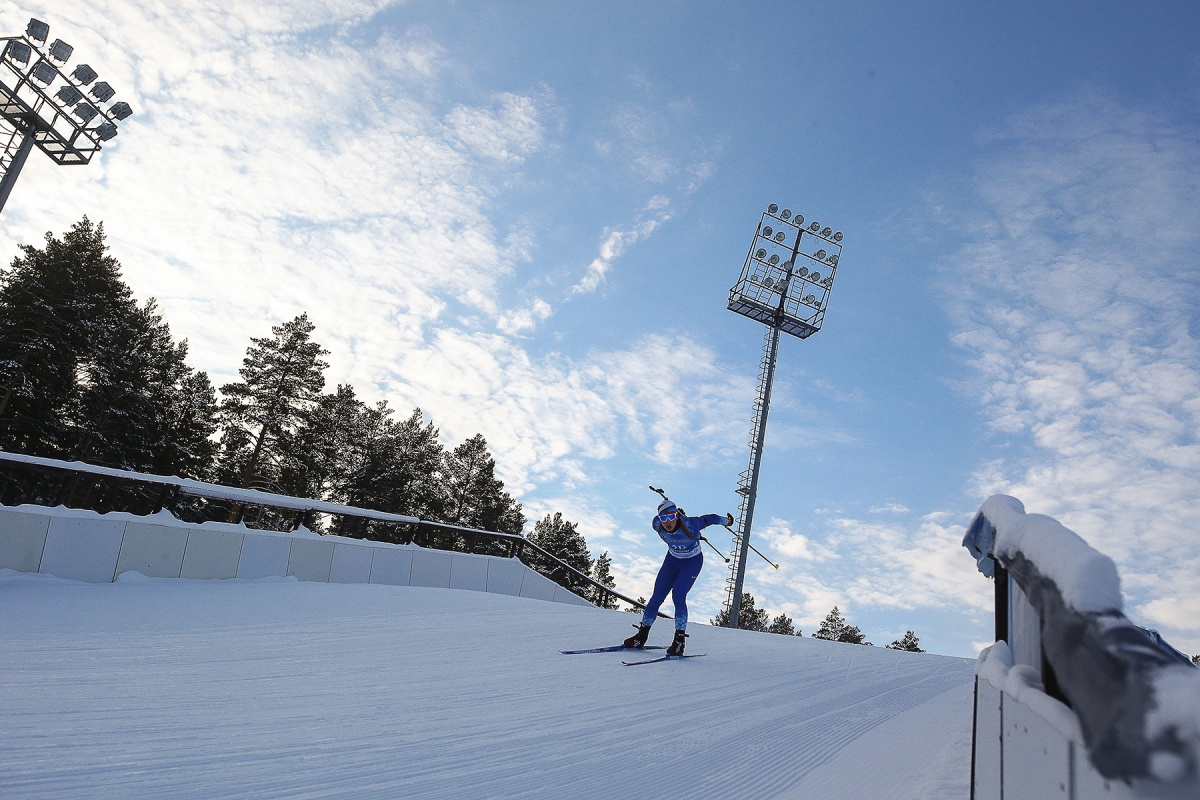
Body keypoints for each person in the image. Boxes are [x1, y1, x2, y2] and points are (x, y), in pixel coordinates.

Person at [624, 498, 734, 656]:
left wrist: (727, 521)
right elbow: (665, 522)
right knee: (656, 597)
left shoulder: (690, 524)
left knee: (678, 595)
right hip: (672, 561)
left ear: (676, 515)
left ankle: (679, 642)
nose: (667, 522)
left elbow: (710, 519)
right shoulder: (656, 525)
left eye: (671, 517)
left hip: (692, 562)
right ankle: (641, 636)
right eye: (663, 518)